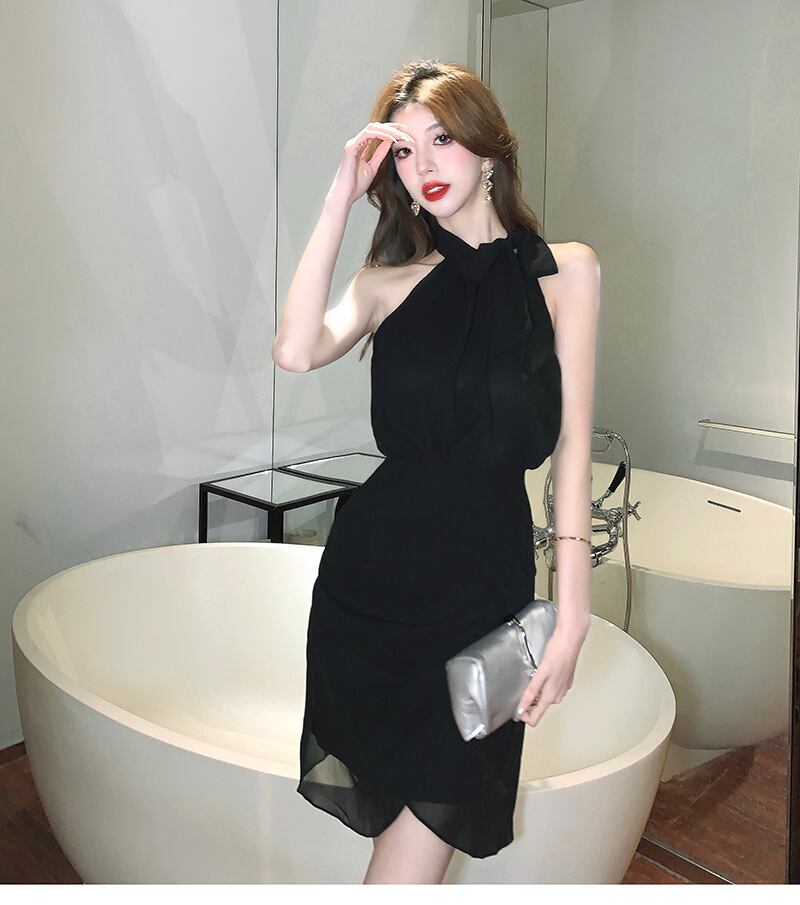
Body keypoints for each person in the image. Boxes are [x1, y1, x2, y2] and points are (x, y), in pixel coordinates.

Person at [273, 58, 599, 884]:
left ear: (487, 149)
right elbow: (295, 348)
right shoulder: (385, 283)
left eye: (442, 140)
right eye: (404, 151)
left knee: (425, 834)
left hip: (484, 592)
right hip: (372, 591)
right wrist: (337, 199)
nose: (423, 165)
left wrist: (572, 613)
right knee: (407, 854)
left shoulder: (567, 274)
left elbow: (572, 448)